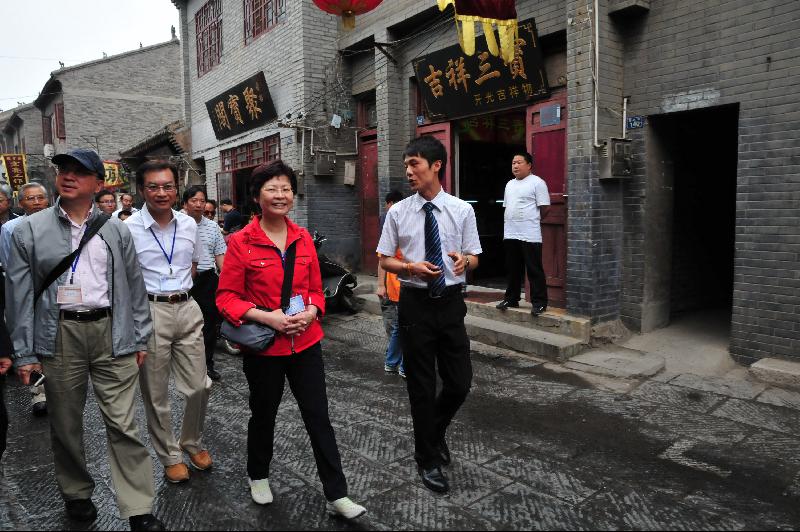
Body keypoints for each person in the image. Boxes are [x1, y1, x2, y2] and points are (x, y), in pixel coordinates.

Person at [5, 148, 163, 531]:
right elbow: (19, 295)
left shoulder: (116, 229)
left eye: (79, 172)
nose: (68, 176)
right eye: (63, 170)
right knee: (65, 422)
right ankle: (76, 492)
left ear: (98, 183)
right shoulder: (29, 229)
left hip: (112, 330)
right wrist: (25, 353)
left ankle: (138, 507)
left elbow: (133, 287)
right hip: (58, 334)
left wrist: (139, 338)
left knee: (124, 423)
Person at [216, 160, 367, 520]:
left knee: (318, 416)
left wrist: (313, 311)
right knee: (263, 414)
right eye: (272, 189)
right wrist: (267, 317)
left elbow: (317, 289)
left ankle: (337, 494)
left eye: (286, 188)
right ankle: (258, 474)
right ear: (257, 196)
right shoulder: (240, 242)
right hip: (265, 347)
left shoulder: (302, 237)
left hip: (306, 343)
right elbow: (226, 298)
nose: (280, 195)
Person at [377, 136, 482, 494]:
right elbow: (384, 259)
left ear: (436, 165)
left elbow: (475, 257)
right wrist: (409, 268)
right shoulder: (398, 212)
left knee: (459, 382)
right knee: (421, 386)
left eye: (415, 164)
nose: (408, 171)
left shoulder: (462, 210)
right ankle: (427, 458)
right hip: (415, 304)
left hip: (451, 303)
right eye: (406, 165)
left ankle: (433, 432)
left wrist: (464, 261)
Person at [125, 160, 211, 485]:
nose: (162, 193)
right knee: (156, 391)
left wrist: (180, 291)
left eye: (168, 186)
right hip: (151, 311)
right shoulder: (129, 228)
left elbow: (193, 264)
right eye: (153, 187)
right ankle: (170, 455)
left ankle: (192, 441)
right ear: (141, 190)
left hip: (187, 307)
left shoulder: (189, 224)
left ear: (177, 188)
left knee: (199, 385)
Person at [0, 182, 51, 417]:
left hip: (53, 293)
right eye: (31, 199)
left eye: (40, 197)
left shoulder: (57, 224)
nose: (37, 202)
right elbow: (9, 266)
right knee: (30, 340)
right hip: (25, 292)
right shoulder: (11, 228)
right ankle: (37, 392)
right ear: (21, 203)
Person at [495, 152, 550, 316]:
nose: (515, 166)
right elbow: (508, 207)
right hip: (511, 232)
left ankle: (539, 302)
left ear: (529, 165)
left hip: (530, 234)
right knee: (512, 268)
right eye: (513, 163)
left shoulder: (537, 183)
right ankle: (511, 298)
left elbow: (545, 208)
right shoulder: (509, 184)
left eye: (519, 162)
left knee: (534, 269)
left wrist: (531, 220)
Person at [182, 186, 226, 382]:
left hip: (208, 279)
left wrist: (225, 280)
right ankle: (188, 366)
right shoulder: (176, 223)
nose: (199, 204)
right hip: (184, 281)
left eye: (202, 200)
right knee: (186, 326)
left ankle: (208, 364)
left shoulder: (212, 227)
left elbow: (220, 256)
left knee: (209, 324)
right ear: (184, 203)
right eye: (194, 200)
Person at [376, 189, 405, 378]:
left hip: (400, 284)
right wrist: (381, 285)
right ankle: (403, 365)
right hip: (399, 284)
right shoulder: (391, 223)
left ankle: (392, 361)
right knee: (405, 326)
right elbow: (382, 259)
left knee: (399, 325)